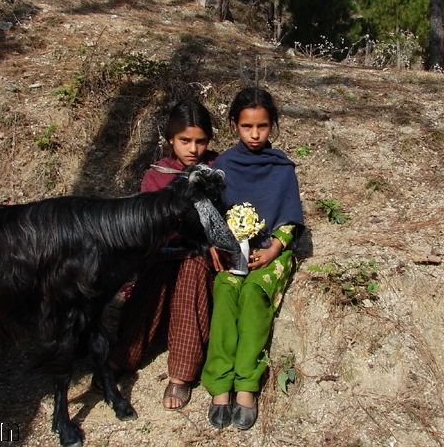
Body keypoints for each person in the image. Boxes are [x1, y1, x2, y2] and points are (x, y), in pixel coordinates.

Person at [105, 100, 218, 410]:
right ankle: (124, 355)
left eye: (200, 141)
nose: (193, 149)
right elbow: (144, 227)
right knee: (153, 278)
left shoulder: (217, 171)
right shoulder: (156, 175)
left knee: (189, 273)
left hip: (203, 256)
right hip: (162, 254)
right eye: (185, 141)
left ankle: (181, 374)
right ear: (171, 139)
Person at [202, 87, 304, 431]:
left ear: (272, 125)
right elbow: (212, 213)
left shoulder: (281, 167)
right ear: (234, 125)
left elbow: (289, 219)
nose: (255, 134)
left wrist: (275, 247)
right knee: (226, 290)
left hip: (271, 253)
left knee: (254, 293)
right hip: (233, 254)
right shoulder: (223, 166)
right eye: (247, 127)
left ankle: (246, 383)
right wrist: (216, 244)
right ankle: (219, 383)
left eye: (262, 126)